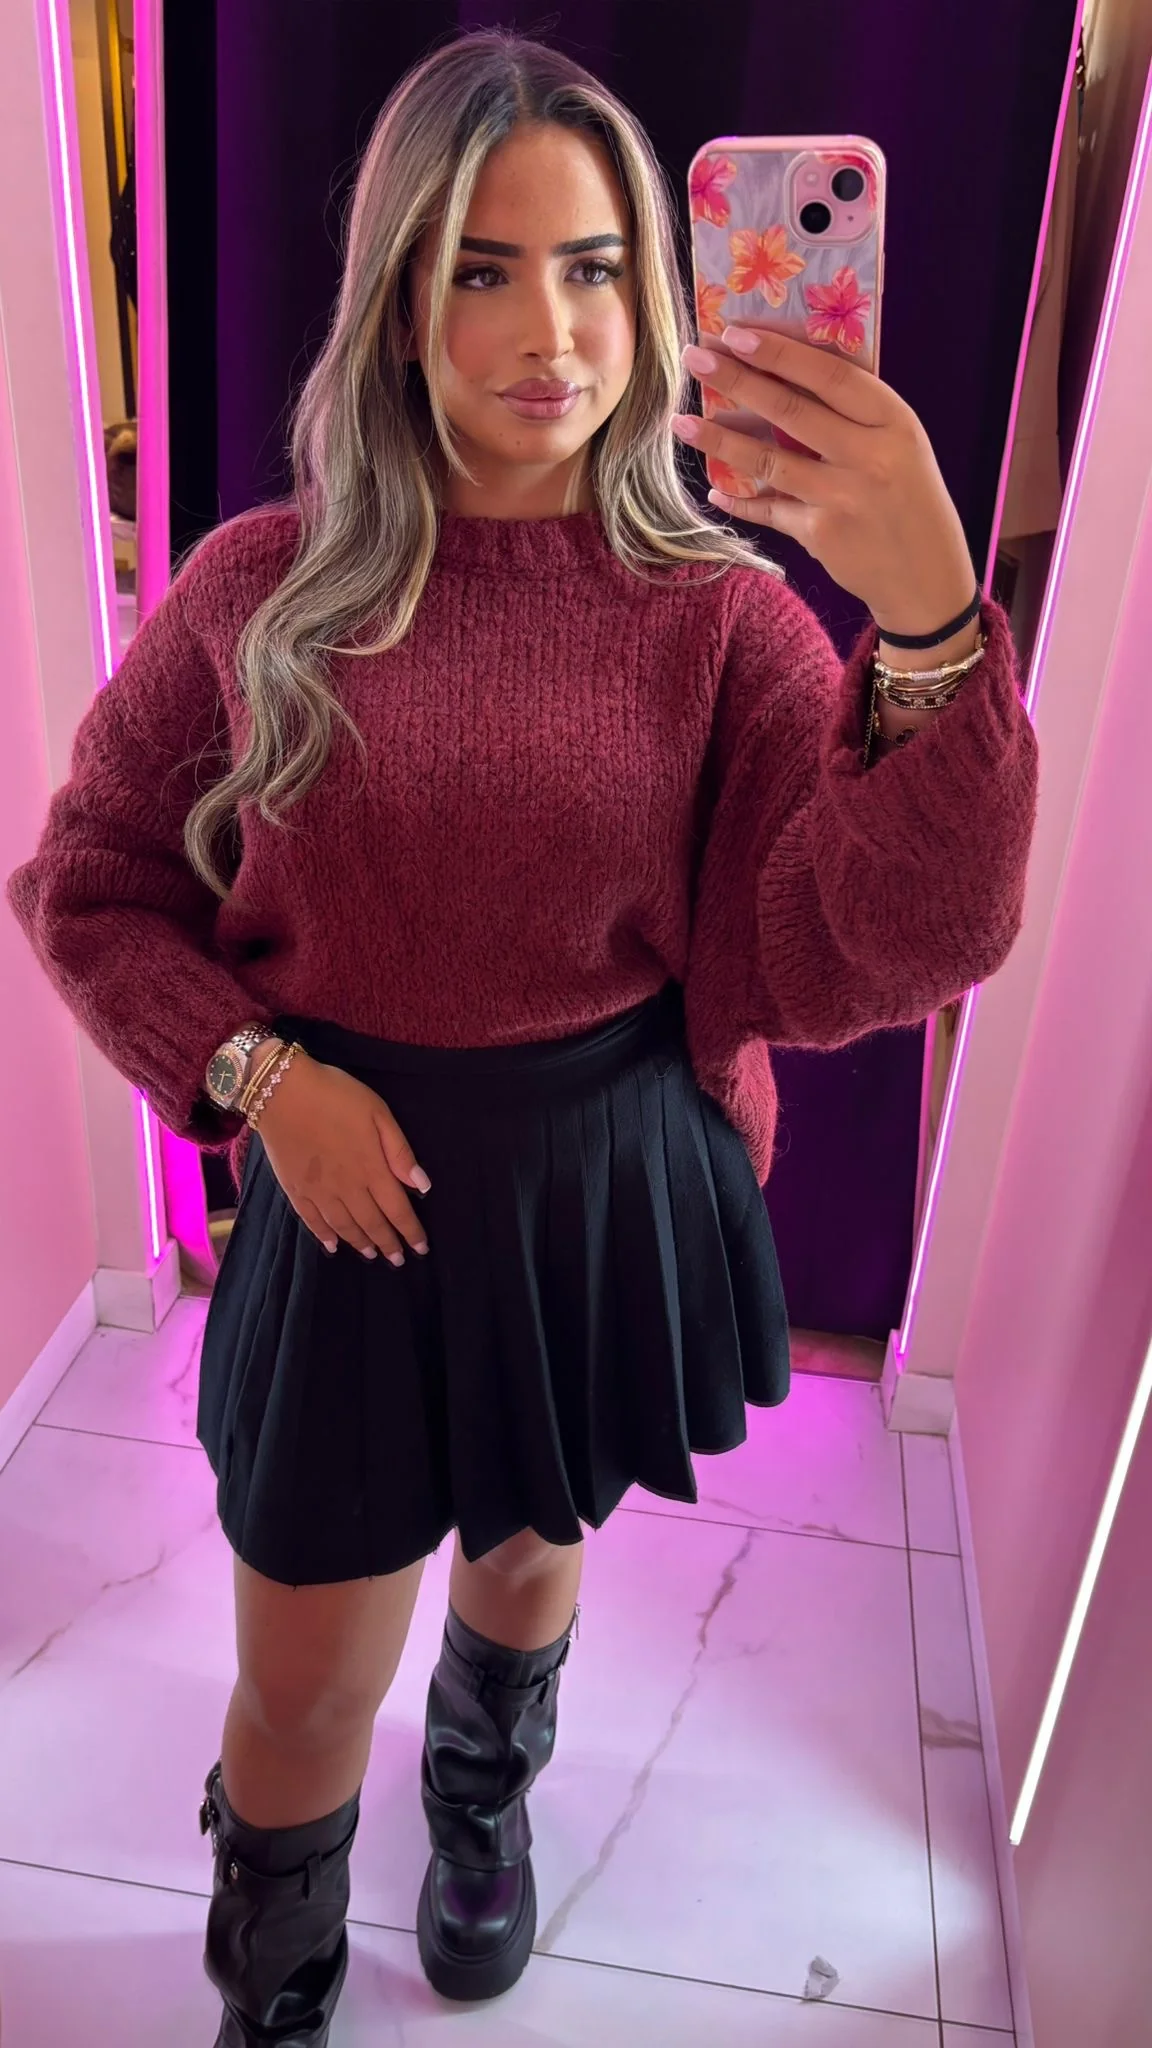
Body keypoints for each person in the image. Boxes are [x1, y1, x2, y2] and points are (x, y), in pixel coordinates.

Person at [6, 26, 1039, 2044]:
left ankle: (483, 1791)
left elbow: (887, 939)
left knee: (527, 1556)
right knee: (305, 1678)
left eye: (594, 268)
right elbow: (90, 885)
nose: (548, 331)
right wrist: (253, 1077)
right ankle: (277, 1975)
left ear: (658, 295)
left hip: (607, 1182)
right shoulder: (261, 594)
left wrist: (928, 622)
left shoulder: (721, 617)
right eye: (482, 268)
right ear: (397, 294)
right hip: (346, 1193)